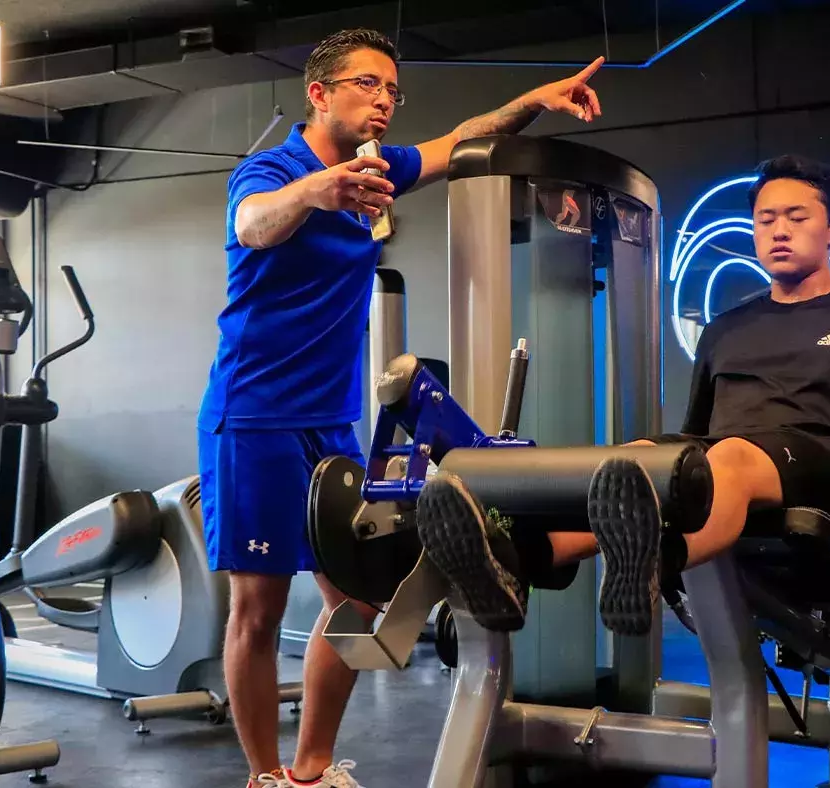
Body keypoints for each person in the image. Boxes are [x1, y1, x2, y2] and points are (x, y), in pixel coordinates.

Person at [196, 26, 607, 788]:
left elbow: (460, 141)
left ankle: (311, 770)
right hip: (253, 415)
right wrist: (319, 189)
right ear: (319, 94)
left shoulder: (381, 167)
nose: (384, 100)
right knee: (256, 610)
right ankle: (264, 778)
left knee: (359, 594)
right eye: (367, 85)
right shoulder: (272, 169)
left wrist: (535, 100)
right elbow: (252, 225)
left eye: (393, 90)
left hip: (330, 421)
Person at [416, 153, 830, 636]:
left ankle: (653, 563)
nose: (779, 231)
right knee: (636, 459)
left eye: (797, 218)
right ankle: (521, 561)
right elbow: (697, 435)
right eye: (766, 220)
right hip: (731, 461)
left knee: (732, 456)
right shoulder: (726, 328)